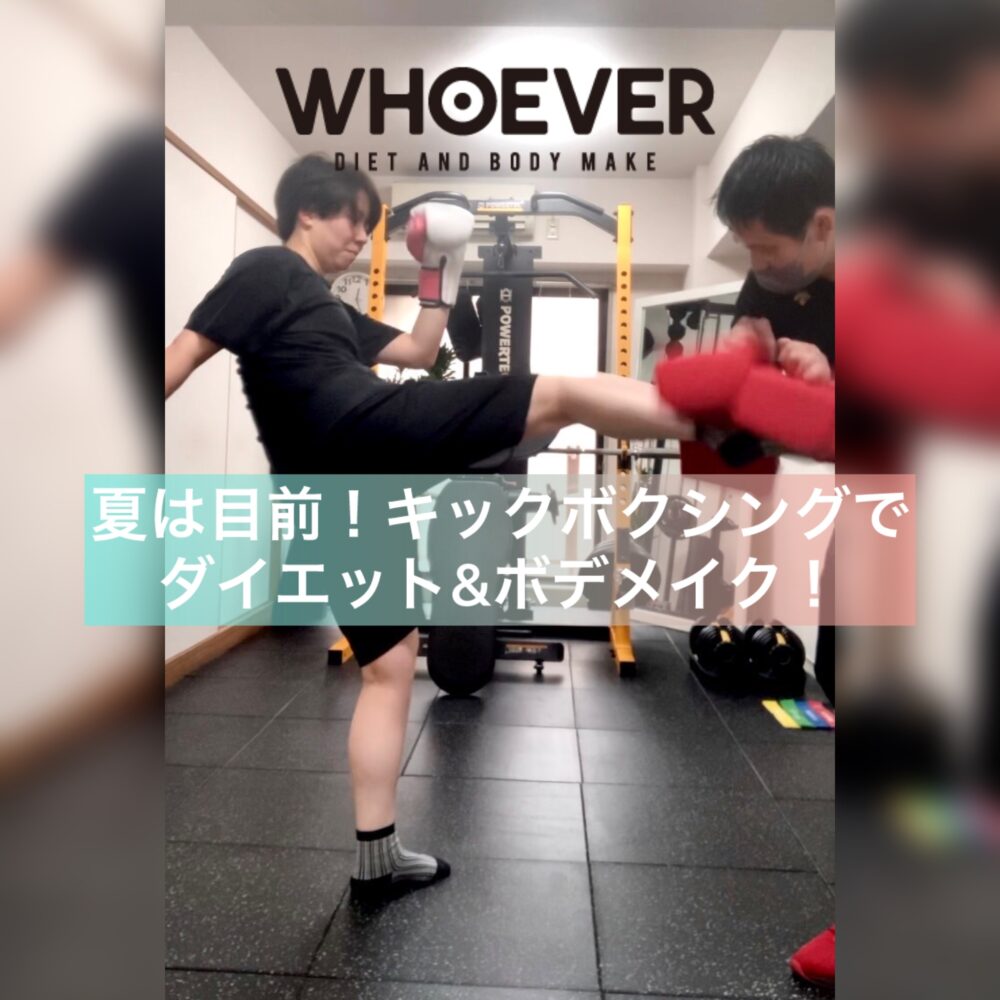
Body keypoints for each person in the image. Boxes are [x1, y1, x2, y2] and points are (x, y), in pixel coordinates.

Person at [165, 153, 698, 904]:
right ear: (306, 212)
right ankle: (726, 415)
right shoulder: (265, 268)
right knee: (563, 393)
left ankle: (377, 858)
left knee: (389, 666)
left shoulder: (325, 307)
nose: (361, 235)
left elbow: (419, 351)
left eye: (369, 223)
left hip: (330, 492)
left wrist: (438, 268)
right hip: (362, 432)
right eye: (352, 218)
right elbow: (181, 356)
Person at [709, 134, 837, 989]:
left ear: (824, 225)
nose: (757, 270)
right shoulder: (770, 284)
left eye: (768, 250)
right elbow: (749, 433)